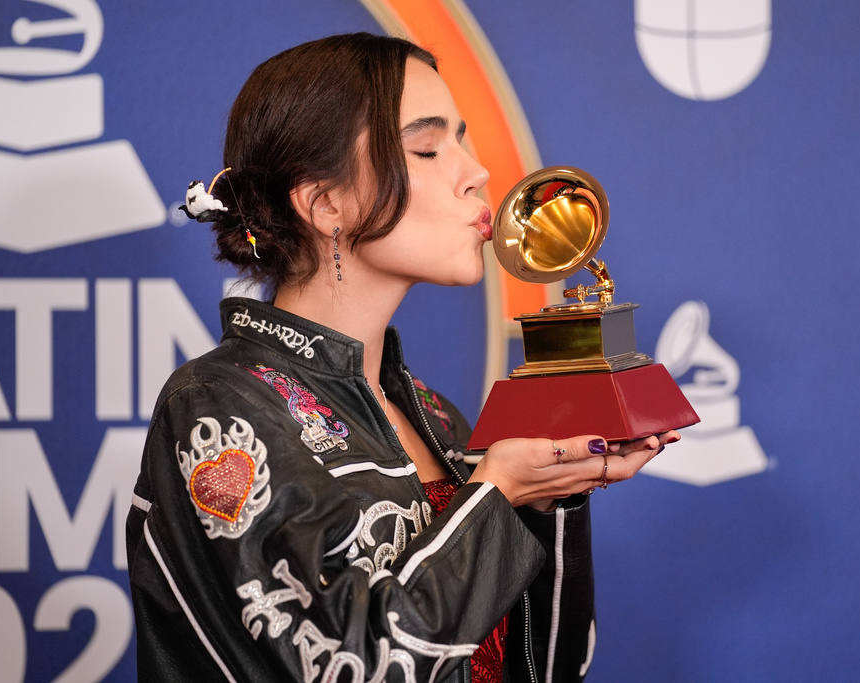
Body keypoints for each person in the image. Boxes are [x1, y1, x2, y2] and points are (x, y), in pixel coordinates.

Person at [126, 32, 679, 683]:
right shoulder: (217, 408)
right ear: (325, 203)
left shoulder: (437, 417)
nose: (475, 172)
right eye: (427, 147)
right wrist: (498, 495)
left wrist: (552, 494)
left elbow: (547, 666)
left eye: (464, 139)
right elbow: (354, 667)